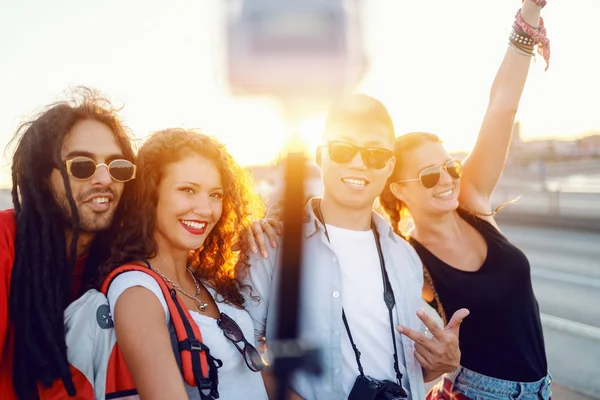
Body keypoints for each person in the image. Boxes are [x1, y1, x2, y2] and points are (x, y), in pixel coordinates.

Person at [378, 1, 553, 399]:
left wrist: (529, 13)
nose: (446, 180)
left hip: (539, 389)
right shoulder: (409, 258)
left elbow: (501, 107)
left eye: (450, 166)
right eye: (428, 175)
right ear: (398, 189)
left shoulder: (472, 203)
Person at [245, 94, 469, 400]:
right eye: (343, 150)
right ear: (321, 155)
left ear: (389, 165)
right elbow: (240, 353)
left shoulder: (405, 257)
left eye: (375, 155)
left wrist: (445, 362)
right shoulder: (271, 247)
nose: (359, 164)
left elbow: (416, 366)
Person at [97, 128, 269, 399]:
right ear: (149, 196)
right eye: (187, 190)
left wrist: (269, 235)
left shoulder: (207, 280)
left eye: (215, 194)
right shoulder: (137, 291)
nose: (205, 209)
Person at [0, 88, 137, 399]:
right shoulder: (5, 241)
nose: (104, 180)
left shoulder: (124, 259)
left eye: (117, 167)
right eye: (82, 166)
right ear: (41, 176)